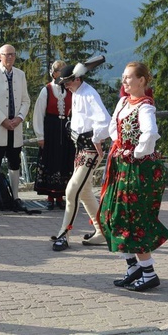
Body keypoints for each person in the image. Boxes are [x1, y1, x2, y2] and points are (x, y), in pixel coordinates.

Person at [99, 62, 168, 292]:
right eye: (123, 77)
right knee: (114, 215)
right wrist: (119, 146)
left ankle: (148, 272)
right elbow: (113, 127)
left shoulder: (145, 107)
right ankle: (133, 268)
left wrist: (135, 151)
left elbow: (150, 134)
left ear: (142, 80)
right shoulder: (123, 102)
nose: (125, 81)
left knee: (134, 219)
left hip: (138, 171)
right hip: (122, 167)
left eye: (129, 77)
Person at [51, 58, 110, 251]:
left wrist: (97, 138)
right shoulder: (78, 92)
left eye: (67, 82)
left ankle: (64, 234)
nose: (65, 86)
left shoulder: (89, 94)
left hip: (90, 149)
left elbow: (105, 121)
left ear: (77, 79)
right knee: (83, 191)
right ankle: (102, 231)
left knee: (72, 190)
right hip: (81, 147)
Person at [0, 44, 30, 213]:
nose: (9, 58)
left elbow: (26, 100)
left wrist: (19, 118)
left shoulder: (20, 74)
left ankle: (16, 197)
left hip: (15, 127)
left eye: (12, 55)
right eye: (6, 55)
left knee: (14, 162)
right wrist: (3, 120)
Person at [33, 60, 73, 210]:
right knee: (51, 162)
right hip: (51, 130)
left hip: (66, 130)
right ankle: (50, 197)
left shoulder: (69, 90)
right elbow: (38, 114)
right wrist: (40, 136)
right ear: (54, 73)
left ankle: (61, 196)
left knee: (64, 162)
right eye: (61, 72)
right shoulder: (47, 90)